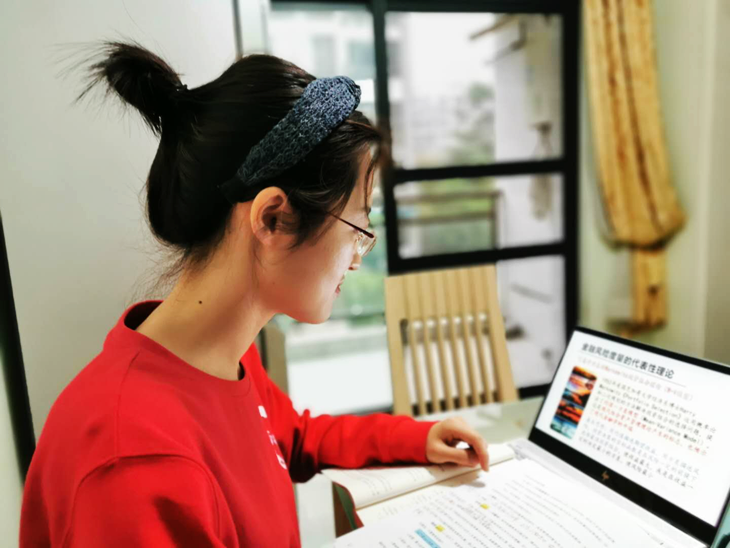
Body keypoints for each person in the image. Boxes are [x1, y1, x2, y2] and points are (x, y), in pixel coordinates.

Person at [20, 42, 489, 547]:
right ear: (273, 218)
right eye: (357, 226)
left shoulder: (221, 356)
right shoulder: (137, 468)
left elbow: (295, 436)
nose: (358, 258)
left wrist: (416, 438)